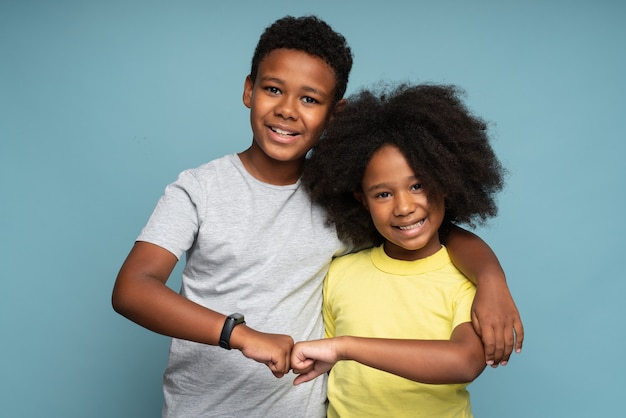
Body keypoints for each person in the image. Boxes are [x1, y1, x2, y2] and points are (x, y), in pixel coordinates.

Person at [111, 15, 522, 418]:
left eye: (309, 99)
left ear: (334, 114)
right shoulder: (199, 189)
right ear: (249, 90)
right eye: (274, 89)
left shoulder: (339, 196)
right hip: (202, 408)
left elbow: (432, 227)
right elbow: (133, 288)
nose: (288, 110)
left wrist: (490, 279)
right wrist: (238, 335)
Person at [291, 83, 515, 417]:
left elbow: (464, 362)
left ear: (446, 180)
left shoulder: (466, 280)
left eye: (417, 185)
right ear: (360, 200)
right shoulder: (340, 272)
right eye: (383, 194)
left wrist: (345, 347)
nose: (404, 207)